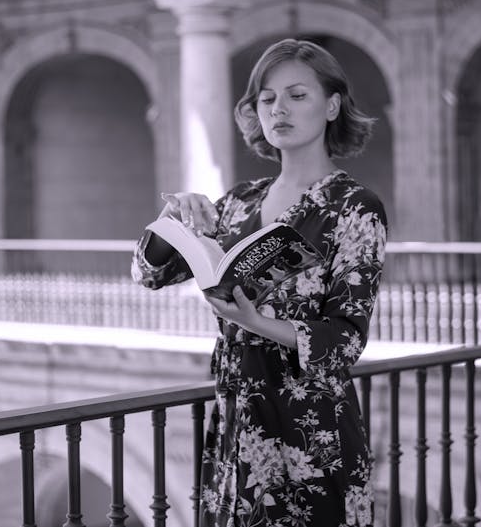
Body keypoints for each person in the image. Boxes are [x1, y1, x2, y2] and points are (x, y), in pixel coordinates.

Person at [131, 38, 387, 527]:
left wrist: (256, 322)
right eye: (267, 99)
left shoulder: (354, 206)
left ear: (332, 105)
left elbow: (346, 341)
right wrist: (170, 220)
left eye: (297, 95)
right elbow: (151, 275)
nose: (278, 109)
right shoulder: (238, 203)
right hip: (236, 420)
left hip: (313, 432)